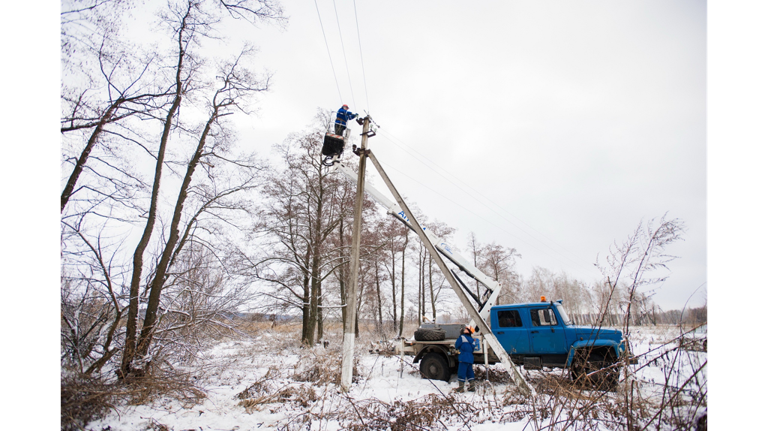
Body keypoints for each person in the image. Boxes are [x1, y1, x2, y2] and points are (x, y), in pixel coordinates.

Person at [454, 325, 476, 392]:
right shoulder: (472, 340)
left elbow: (457, 345)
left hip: (463, 357)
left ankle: (461, 388)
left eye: (466, 329)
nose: (464, 329)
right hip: (470, 358)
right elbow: (472, 349)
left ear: (468, 331)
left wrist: (460, 336)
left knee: (461, 372)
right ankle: (472, 386)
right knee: (470, 372)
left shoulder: (462, 337)